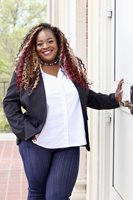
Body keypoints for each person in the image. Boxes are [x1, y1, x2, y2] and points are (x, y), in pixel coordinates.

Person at [3, 23, 123, 200]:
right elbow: (10, 103)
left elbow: (87, 97)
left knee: (57, 196)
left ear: (58, 42)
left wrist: (113, 99)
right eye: (40, 43)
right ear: (33, 48)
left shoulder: (70, 71)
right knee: (37, 192)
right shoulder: (27, 72)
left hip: (68, 143)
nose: (46, 46)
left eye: (50, 41)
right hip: (36, 143)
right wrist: (25, 131)